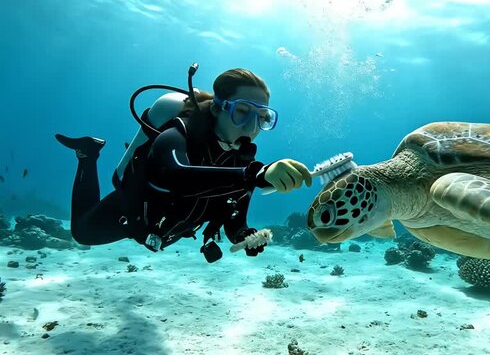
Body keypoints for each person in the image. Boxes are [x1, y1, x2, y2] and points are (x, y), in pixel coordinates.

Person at [55, 67, 312, 262]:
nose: (252, 126)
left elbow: (234, 216)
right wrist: (254, 174)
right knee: (82, 233)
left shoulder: (241, 162)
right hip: (134, 212)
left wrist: (244, 236)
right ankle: (88, 155)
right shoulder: (179, 133)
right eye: (242, 111)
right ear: (217, 108)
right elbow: (174, 175)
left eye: (262, 117)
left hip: (167, 228)